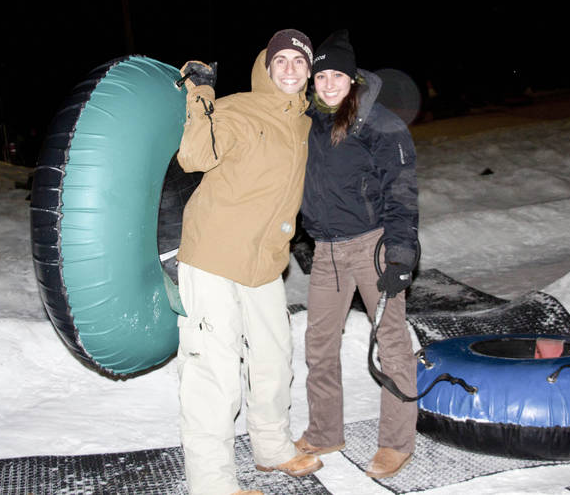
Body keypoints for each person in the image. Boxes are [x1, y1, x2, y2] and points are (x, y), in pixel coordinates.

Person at [175, 29, 322, 495]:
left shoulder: (303, 123)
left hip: (264, 261)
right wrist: (200, 94)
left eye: (299, 62)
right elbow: (193, 156)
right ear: (266, 66)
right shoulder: (239, 108)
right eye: (281, 60)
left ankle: (272, 448)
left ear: (308, 72)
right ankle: (213, 484)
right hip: (215, 254)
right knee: (215, 371)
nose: (290, 69)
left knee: (274, 359)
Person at [295, 30, 419, 479]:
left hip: (373, 246)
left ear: (353, 78)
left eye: (337, 75)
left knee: (392, 346)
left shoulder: (381, 123)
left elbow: (401, 193)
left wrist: (401, 257)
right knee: (318, 346)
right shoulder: (307, 120)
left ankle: (396, 442)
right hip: (326, 251)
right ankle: (326, 431)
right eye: (321, 75)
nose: (328, 83)